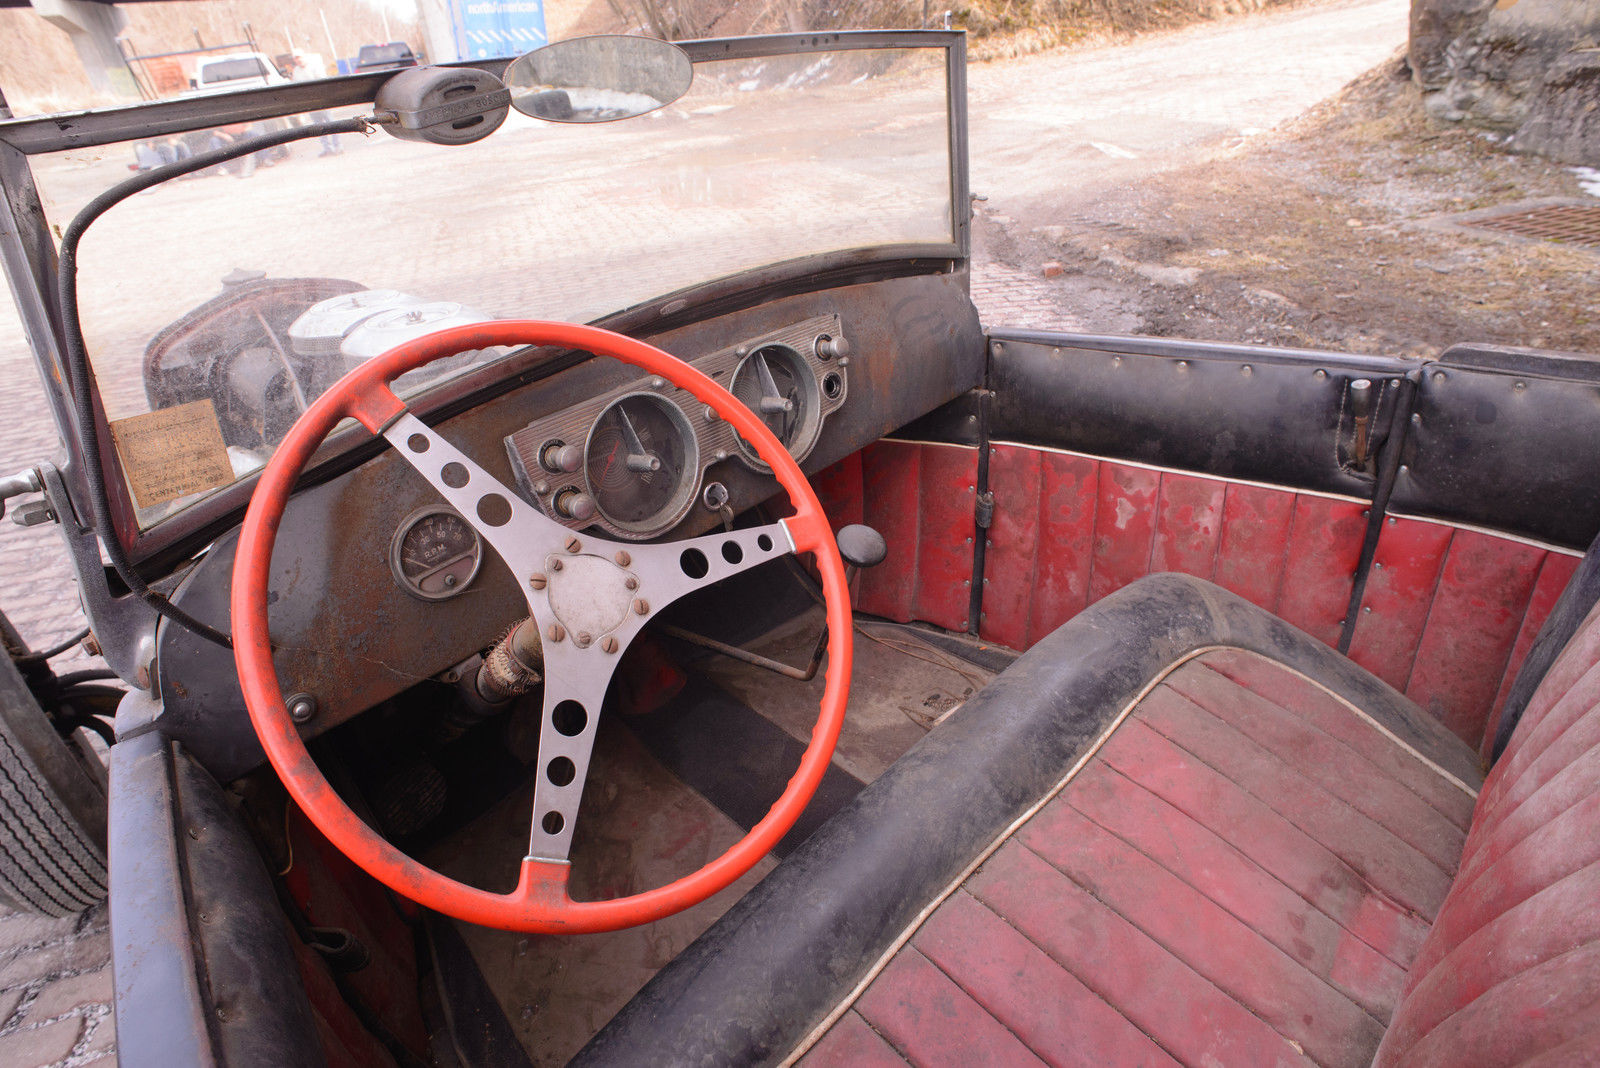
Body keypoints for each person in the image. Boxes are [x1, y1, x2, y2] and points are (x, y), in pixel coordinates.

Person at [290, 53, 343, 156]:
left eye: (299, 57)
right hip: (309, 103)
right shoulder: (296, 70)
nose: (298, 60)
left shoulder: (314, 66)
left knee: (330, 123)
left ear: (304, 57)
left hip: (321, 100)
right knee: (317, 126)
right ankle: (327, 148)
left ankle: (338, 146)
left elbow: (322, 81)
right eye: (296, 58)